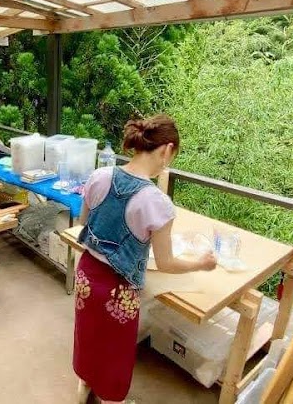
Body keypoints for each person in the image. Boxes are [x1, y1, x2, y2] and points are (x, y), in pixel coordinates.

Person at [73, 114, 217, 403]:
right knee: (115, 349)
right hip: (120, 290)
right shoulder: (157, 202)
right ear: (166, 150)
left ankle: (85, 387)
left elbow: (84, 221)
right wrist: (202, 263)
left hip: (87, 275)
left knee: (88, 337)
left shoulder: (99, 176)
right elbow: (166, 264)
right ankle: (112, 397)